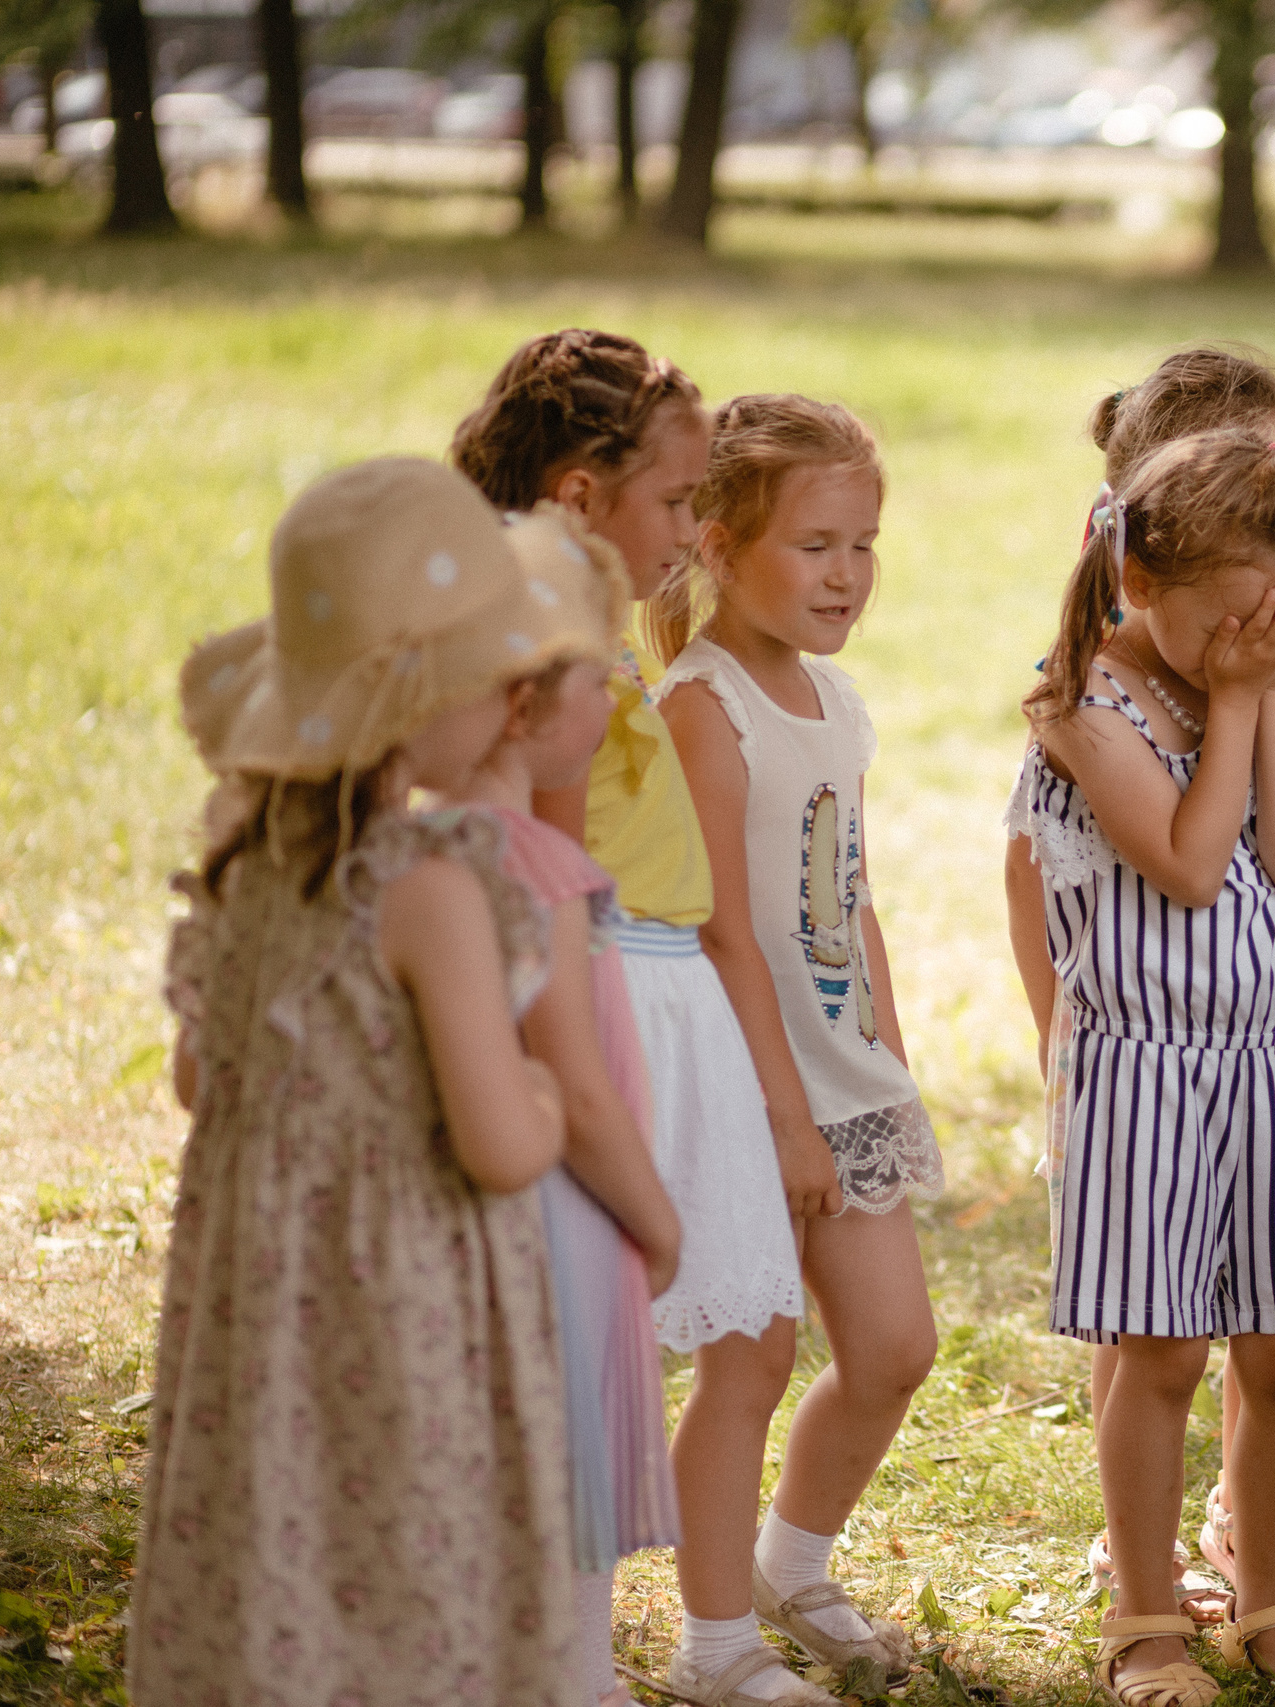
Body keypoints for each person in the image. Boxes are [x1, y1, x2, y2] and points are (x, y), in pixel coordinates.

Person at [132, 458, 608, 1704]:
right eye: (494, 673)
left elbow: (202, 1080)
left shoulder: (248, 870)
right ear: (418, 698)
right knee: (405, 1561)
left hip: (259, 1305)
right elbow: (500, 1143)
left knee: (271, 1541)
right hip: (397, 1308)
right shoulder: (431, 888)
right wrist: (552, 1106)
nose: (517, 694)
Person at [450, 334, 819, 1703]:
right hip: (609, 1000)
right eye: (675, 501)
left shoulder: (591, 641)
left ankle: (679, 1639)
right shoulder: (535, 660)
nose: (690, 531)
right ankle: (565, 1658)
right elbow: (547, 877)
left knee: (719, 1331)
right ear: (577, 495)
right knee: (585, 1352)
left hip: (676, 1002)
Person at [1007, 428, 1275, 1707]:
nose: (1255, 638)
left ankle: (1264, 1602)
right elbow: (1191, 862)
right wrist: (1233, 701)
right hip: (1144, 1070)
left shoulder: (1248, 684)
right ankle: (1146, 1620)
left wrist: (1263, 700)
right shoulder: (1081, 708)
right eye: (1231, 619)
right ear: (1140, 580)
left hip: (1273, 1062)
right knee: (1159, 1355)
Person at [652, 395, 938, 1700]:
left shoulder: (833, 698)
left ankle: (791, 1558)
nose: (847, 574)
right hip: (747, 1082)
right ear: (717, 542)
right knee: (752, 1354)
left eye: (864, 544)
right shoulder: (703, 705)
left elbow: (851, 891)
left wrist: (884, 1059)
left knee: (892, 1345)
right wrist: (784, 1114)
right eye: (818, 544)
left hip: (843, 1075)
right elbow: (721, 928)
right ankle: (715, 1639)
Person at [446, 508, 683, 1707]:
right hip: (560, 1227)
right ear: (530, 702)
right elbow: (577, 1094)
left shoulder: (418, 848)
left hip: (470, 1241)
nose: (620, 698)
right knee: (557, 1499)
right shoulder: (533, 870)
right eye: (606, 674)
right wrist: (660, 1219)